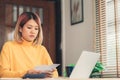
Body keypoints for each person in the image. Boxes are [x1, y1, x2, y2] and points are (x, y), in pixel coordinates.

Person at [0, 12, 58, 78]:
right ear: (20, 28)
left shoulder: (41, 49)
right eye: (29, 27)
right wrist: (26, 73)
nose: (33, 32)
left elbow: (55, 73)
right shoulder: (9, 46)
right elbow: (2, 74)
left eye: (36, 28)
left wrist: (49, 75)